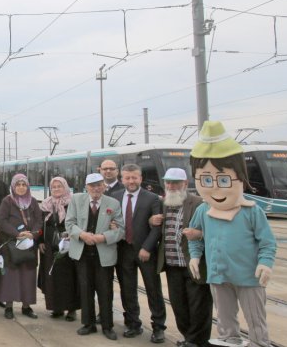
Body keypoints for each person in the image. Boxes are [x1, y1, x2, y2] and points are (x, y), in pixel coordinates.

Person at [186, 121, 277, 347]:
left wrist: (265, 263)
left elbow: (267, 242)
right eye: (207, 180)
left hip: (249, 276)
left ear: (239, 178)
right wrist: (195, 256)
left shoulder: (252, 211)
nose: (215, 187)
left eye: (224, 180)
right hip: (218, 275)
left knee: (256, 319)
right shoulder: (203, 210)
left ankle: (259, 343)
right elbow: (195, 236)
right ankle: (229, 340)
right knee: (225, 320)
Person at [150, 168, 212, 347]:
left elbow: (213, 229)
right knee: (179, 305)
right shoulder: (163, 203)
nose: (171, 186)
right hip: (171, 264)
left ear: (185, 183)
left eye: (175, 183)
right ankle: (188, 337)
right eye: (168, 182)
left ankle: (197, 341)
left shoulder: (199, 203)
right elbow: (156, 226)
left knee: (199, 305)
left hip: (194, 263)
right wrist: (151, 221)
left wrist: (199, 233)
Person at [110, 163, 166, 342]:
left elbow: (157, 227)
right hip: (123, 250)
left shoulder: (153, 198)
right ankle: (133, 324)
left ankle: (158, 327)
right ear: (122, 179)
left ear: (141, 178)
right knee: (127, 289)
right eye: (127, 178)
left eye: (134, 177)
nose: (131, 181)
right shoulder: (115, 196)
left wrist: (147, 247)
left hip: (145, 252)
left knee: (153, 289)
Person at [66, 173, 124, 341]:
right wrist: (82, 235)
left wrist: (102, 237)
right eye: (92, 185)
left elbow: (120, 230)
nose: (96, 188)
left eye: (99, 185)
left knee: (105, 291)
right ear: (86, 187)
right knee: (85, 290)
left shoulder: (113, 203)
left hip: (103, 254)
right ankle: (88, 323)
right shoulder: (76, 199)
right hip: (83, 253)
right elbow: (69, 223)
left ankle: (107, 326)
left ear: (104, 186)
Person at [0, 174, 43, 320]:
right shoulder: (7, 201)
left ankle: (26, 306)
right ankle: (9, 307)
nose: (21, 187)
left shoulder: (33, 202)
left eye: (24, 185)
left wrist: (33, 234)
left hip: (29, 246)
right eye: (18, 185)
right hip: (11, 245)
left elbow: (39, 221)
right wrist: (17, 234)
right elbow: (2, 221)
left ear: (27, 186)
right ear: (13, 186)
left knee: (28, 276)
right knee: (11, 277)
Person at [38, 177, 79, 321]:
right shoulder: (45, 205)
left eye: (59, 186)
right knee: (52, 278)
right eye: (53, 187)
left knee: (69, 278)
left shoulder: (73, 203)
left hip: (68, 246)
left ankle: (71, 309)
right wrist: (40, 241)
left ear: (65, 187)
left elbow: (78, 223)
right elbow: (40, 226)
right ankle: (57, 307)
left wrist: (71, 237)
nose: (56, 189)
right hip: (50, 247)